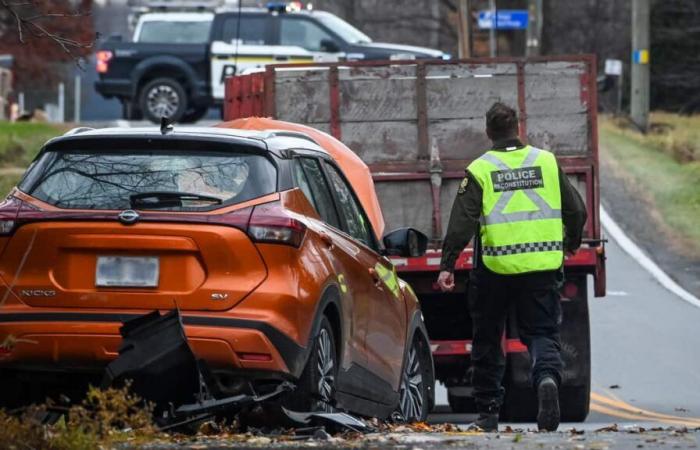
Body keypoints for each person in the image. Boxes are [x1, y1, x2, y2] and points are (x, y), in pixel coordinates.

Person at [436, 102, 587, 432]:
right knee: (542, 333)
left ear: (488, 132)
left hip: (495, 269)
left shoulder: (480, 169)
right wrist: (571, 242)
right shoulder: (545, 162)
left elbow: (462, 221)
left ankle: (488, 412)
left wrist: (447, 264)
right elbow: (576, 209)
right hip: (542, 265)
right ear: (519, 128)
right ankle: (546, 378)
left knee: (488, 338)